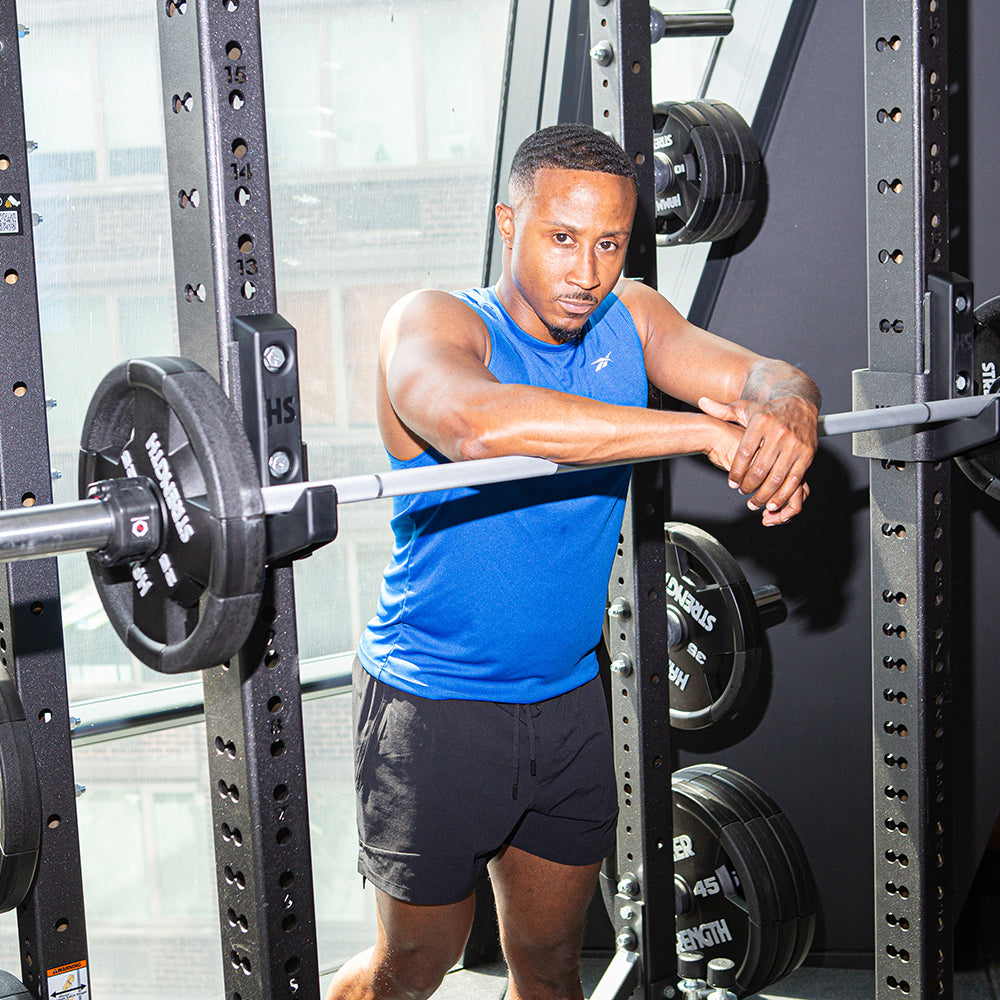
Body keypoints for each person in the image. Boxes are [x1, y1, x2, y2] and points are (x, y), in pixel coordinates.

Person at [326, 123, 820, 1000]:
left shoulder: (632, 318)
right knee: (415, 966)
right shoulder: (438, 321)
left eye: (609, 244)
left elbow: (767, 377)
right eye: (562, 237)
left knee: (552, 964)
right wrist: (703, 432)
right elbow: (479, 426)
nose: (587, 271)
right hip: (434, 708)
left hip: (567, 705)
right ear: (507, 222)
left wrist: (788, 413)